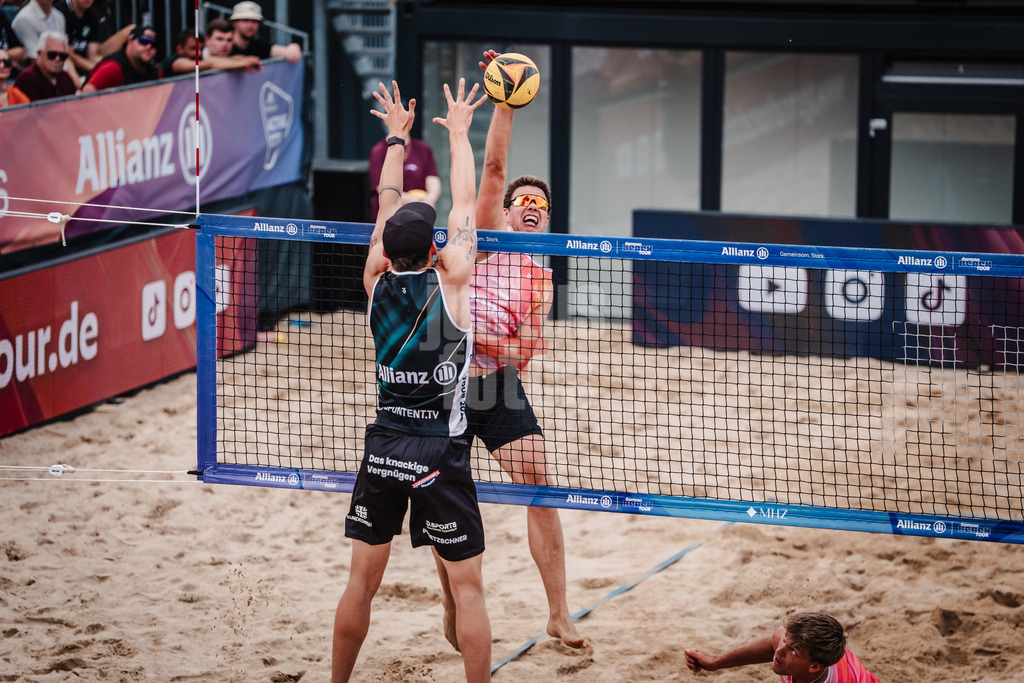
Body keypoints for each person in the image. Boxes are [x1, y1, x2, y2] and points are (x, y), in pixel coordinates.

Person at [331, 78, 490, 682]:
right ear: (434, 250)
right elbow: (466, 199)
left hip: (384, 444)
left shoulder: (374, 282)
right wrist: (458, 133)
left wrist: (396, 139)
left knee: (360, 584)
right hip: (439, 452)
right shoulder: (454, 283)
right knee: (468, 591)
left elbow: (386, 203)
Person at [448, 49, 588, 651]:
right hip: (446, 383)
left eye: (541, 205)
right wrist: (506, 103)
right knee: (447, 500)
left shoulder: (541, 276)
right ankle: (451, 604)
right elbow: (495, 168)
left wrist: (472, 337)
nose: (531, 207)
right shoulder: (484, 235)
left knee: (542, 489)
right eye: (523, 202)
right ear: (504, 213)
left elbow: (523, 353)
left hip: (496, 387)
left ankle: (559, 613)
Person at [684, 612, 881, 683]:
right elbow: (773, 642)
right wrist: (716, 661)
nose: (779, 650)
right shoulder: (787, 646)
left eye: (793, 650)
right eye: (786, 639)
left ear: (814, 667)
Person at [366, 127, 441, 221]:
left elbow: (433, 178)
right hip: (390, 217)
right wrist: (413, 201)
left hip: (418, 216)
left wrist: (429, 199)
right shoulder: (378, 151)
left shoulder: (423, 149)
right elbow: (381, 187)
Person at [81, 24, 159, 92]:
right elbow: (86, 93)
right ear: (130, 42)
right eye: (144, 41)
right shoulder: (112, 68)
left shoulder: (156, 73)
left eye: (153, 44)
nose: (149, 47)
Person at [161, 25, 260, 76]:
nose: (199, 53)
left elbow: (222, 60)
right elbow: (210, 64)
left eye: (201, 49)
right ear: (180, 49)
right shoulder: (177, 62)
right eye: (193, 48)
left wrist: (247, 60)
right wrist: (243, 63)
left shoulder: (198, 58)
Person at [227, 1, 301, 64]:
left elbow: (285, 51)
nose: (250, 25)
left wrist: (293, 47)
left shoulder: (258, 47)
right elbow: (219, 61)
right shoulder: (224, 46)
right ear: (234, 23)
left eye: (255, 21)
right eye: (245, 20)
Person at [13, 31, 76, 100]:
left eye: (62, 56)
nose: (57, 59)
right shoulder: (27, 79)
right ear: (39, 53)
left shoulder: (65, 77)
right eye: (52, 55)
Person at [52, 0, 102, 76]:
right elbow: (69, 54)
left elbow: (92, 55)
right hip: (63, 67)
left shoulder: (93, 15)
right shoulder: (59, 13)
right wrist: (97, 68)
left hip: (86, 67)